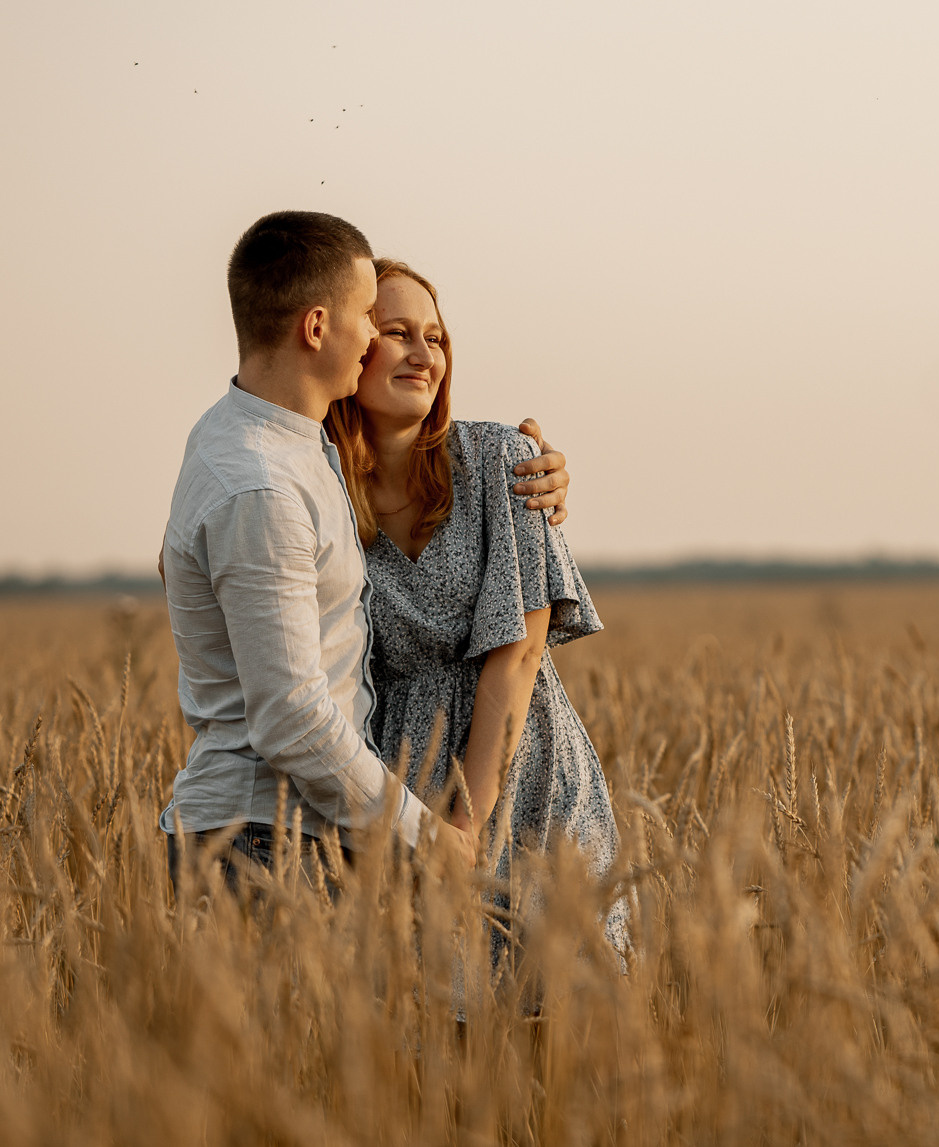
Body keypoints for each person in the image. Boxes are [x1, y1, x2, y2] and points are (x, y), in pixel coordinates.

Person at [159, 211, 573, 888]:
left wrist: (538, 474)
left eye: (433, 336)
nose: (384, 342)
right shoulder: (264, 482)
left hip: (324, 830)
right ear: (318, 327)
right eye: (375, 322)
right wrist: (429, 838)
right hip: (269, 838)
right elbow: (292, 716)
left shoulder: (285, 448)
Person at [325, 259, 627, 957]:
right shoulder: (314, 490)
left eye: (437, 337)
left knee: (557, 1013)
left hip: (526, 773)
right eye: (397, 332)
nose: (424, 352)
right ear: (351, 350)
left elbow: (519, 651)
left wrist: (465, 820)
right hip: (398, 785)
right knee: (426, 1033)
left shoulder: (502, 460)